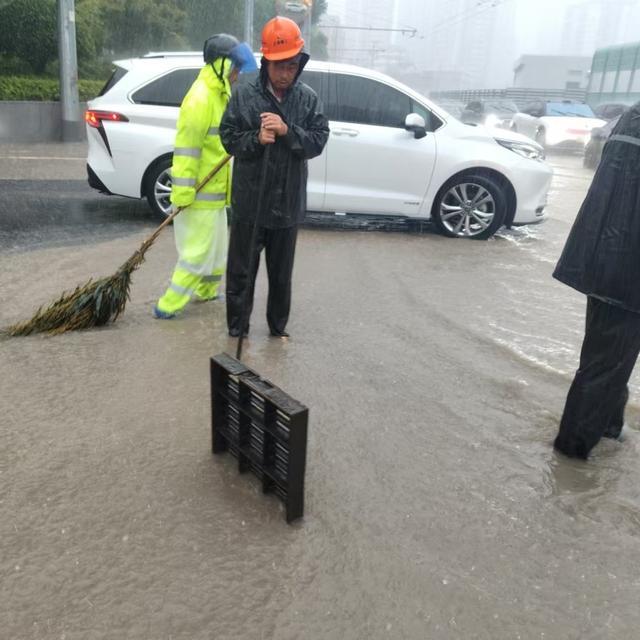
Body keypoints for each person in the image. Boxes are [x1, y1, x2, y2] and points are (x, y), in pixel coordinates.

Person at [219, 16, 329, 338]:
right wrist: (255, 139)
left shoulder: (307, 99)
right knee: (241, 275)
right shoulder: (243, 94)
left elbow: (318, 140)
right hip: (250, 205)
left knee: (281, 277)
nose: (285, 74)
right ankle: (237, 332)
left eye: (292, 66)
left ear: (299, 63)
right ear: (266, 61)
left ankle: (277, 333)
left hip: (287, 204)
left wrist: (286, 131)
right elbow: (228, 137)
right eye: (279, 66)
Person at [553, 102, 640, 459]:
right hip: (629, 265)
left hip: (605, 254)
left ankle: (608, 427)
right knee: (606, 362)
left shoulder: (632, 116)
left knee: (609, 355)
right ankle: (570, 454)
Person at [153, 35, 257, 319]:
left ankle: (207, 291)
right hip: (198, 196)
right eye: (234, 67)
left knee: (216, 252)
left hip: (214, 195)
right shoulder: (200, 98)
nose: (237, 74)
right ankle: (169, 304)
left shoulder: (218, 94)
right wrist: (184, 193)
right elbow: (187, 150)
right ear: (221, 65)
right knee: (196, 254)